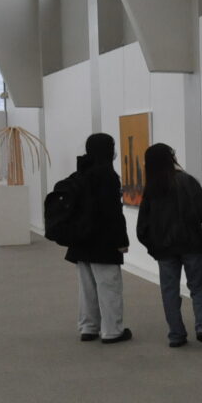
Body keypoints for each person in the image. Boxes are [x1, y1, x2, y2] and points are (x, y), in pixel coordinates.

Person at [136, 143, 202, 348]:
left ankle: (176, 334)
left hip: (164, 249)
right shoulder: (187, 181)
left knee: (169, 291)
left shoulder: (151, 189)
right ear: (170, 158)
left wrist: (153, 246)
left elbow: (142, 226)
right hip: (191, 245)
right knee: (199, 287)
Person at [65, 133, 132, 344]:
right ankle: (112, 331)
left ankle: (88, 327)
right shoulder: (107, 176)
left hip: (80, 241)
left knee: (86, 289)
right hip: (103, 242)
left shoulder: (80, 173)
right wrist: (122, 241)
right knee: (109, 286)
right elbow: (113, 214)